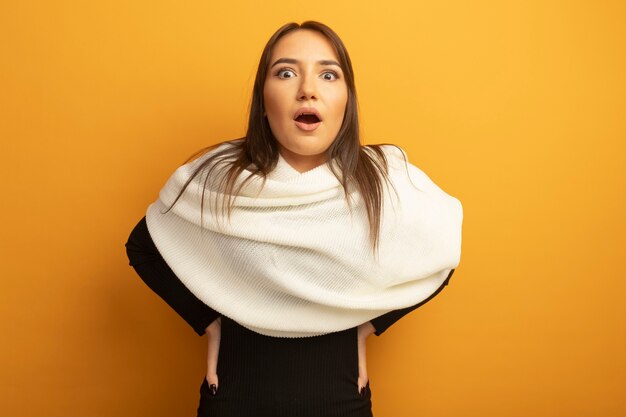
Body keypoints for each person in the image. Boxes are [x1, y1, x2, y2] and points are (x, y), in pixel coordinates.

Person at [125, 20, 463, 417]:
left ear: (346, 100)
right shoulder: (218, 177)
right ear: (263, 101)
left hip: (340, 400)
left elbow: (441, 251)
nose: (307, 88)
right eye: (286, 73)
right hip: (236, 397)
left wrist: (365, 329)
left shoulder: (384, 177)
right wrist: (208, 323)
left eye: (328, 74)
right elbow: (143, 247)